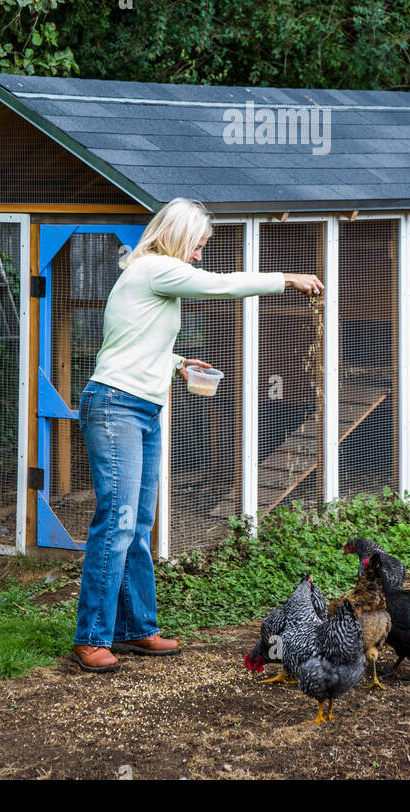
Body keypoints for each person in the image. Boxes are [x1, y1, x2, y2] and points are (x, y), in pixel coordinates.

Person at [72, 196, 324, 672]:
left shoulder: (152, 277)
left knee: (139, 524)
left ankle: (136, 628)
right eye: (200, 245)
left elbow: (131, 342)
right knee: (118, 520)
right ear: (181, 238)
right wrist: (286, 279)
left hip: (141, 406)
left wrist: (178, 363)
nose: (201, 255)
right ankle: (91, 637)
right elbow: (222, 287)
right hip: (115, 405)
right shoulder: (153, 268)